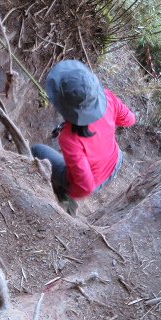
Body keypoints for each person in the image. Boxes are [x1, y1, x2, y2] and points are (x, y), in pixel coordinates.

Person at [31, 60, 136, 213]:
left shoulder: (69, 138)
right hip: (116, 161)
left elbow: (85, 187)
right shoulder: (108, 99)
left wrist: (69, 192)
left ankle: (65, 201)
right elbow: (130, 120)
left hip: (93, 180)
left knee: (37, 150)